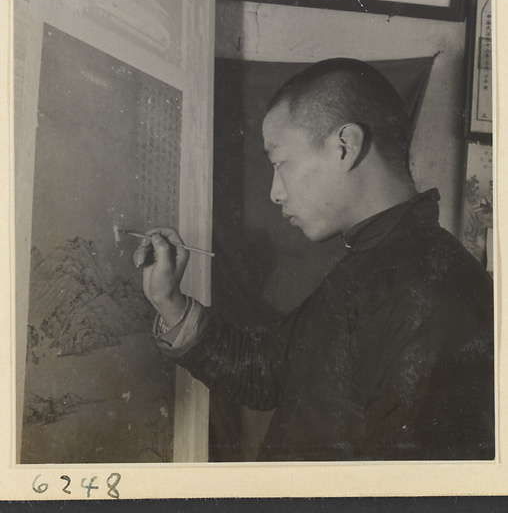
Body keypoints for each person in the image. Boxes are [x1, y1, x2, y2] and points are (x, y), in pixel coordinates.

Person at [133, 58, 494, 461]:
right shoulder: (377, 260)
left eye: (280, 163)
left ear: (346, 146)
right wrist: (170, 302)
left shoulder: (433, 290)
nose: (275, 193)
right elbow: (268, 372)